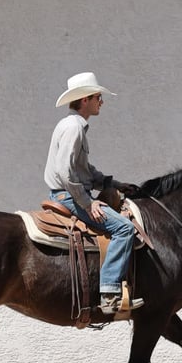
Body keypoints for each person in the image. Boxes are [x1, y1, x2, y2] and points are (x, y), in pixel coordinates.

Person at [44, 72, 144, 315]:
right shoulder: (74, 128)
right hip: (69, 196)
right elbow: (65, 171)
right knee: (124, 228)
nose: (102, 102)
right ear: (85, 99)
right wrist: (88, 203)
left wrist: (113, 183)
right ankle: (109, 293)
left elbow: (84, 169)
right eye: (98, 97)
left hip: (68, 193)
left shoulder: (71, 125)